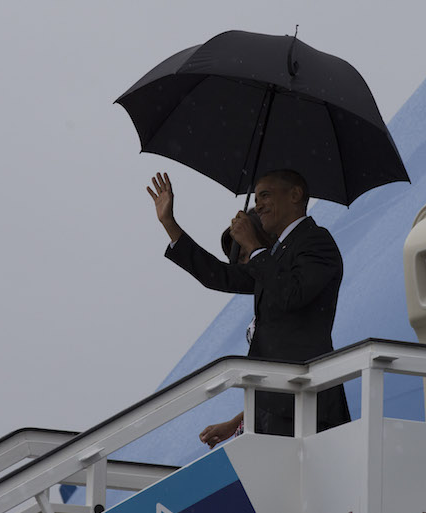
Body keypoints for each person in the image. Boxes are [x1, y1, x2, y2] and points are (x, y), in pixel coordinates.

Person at [146, 169, 350, 446]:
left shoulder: (317, 241)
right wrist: (170, 224)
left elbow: (293, 294)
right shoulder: (277, 252)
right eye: (256, 198)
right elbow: (219, 276)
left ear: (295, 195)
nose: (258, 205)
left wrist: (254, 247)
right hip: (273, 403)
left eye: (265, 195)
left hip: (306, 401)